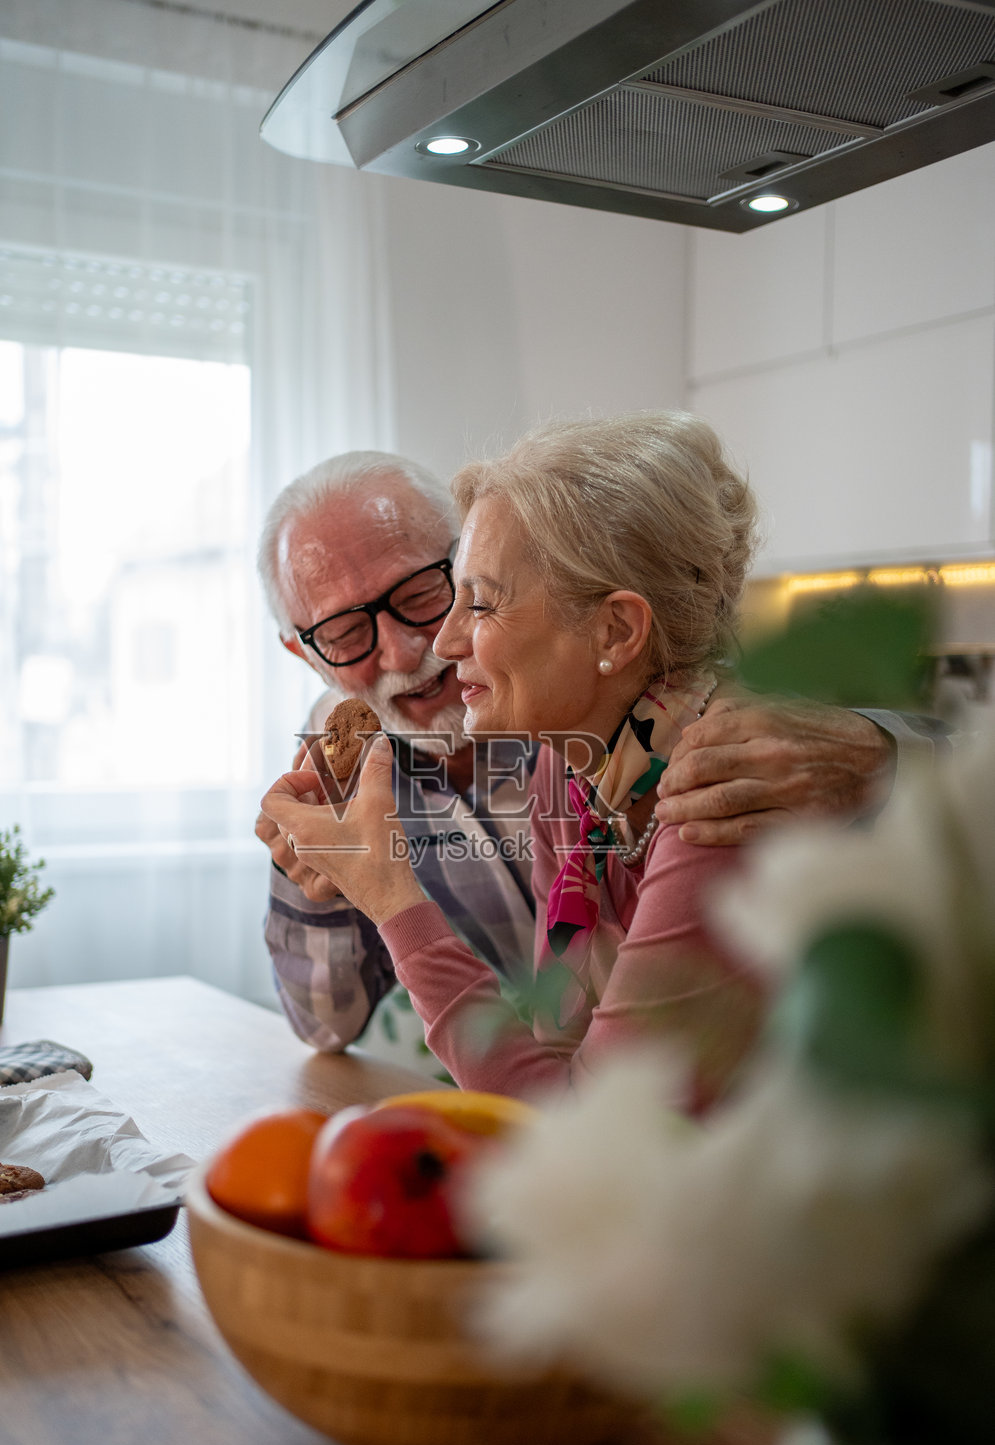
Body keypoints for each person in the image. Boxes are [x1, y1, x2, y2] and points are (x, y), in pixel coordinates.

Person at [258, 414, 903, 1104]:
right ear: (306, 654)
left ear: (615, 630)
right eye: (347, 632)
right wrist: (331, 862)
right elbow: (553, 1050)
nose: (430, 646)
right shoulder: (568, 772)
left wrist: (391, 897)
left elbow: (590, 1123)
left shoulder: (720, 786)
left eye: (457, 598)